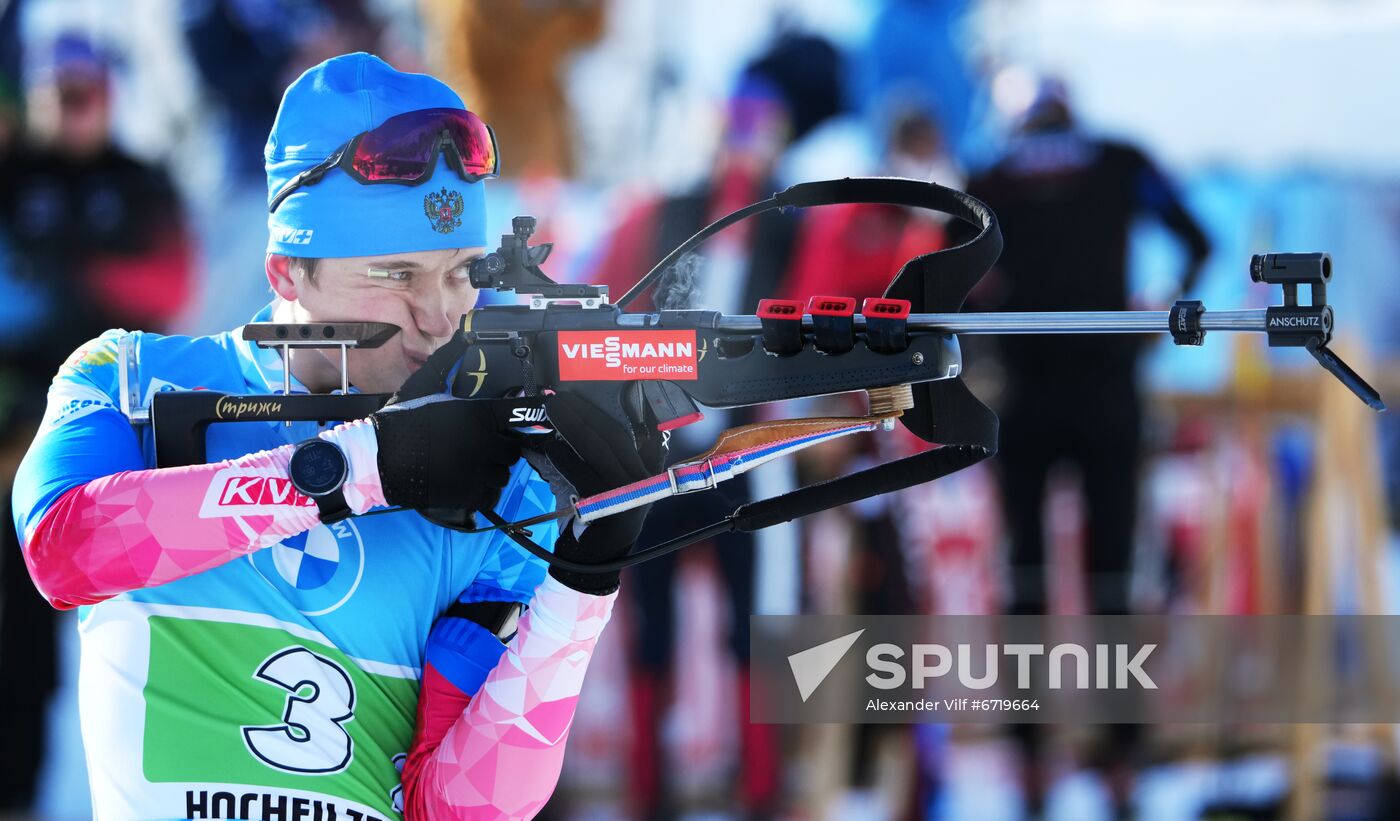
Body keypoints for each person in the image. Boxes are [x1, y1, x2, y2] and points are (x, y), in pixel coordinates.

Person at [11, 52, 656, 820]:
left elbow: (459, 808)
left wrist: (583, 585)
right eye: (396, 275)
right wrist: (354, 471)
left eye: (460, 272)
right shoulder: (128, 377)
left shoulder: (492, 480)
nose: (439, 315)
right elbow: (65, 546)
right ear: (287, 272)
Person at [965, 76, 1211, 817]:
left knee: (1027, 578)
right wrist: (1162, 306)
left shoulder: (992, 174)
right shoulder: (1119, 160)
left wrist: (988, 316)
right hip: (1106, 386)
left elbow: (949, 275)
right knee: (1111, 579)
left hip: (1027, 390)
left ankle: (1032, 756)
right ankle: (1121, 759)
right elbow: (1198, 239)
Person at [0, 33, 194, 812]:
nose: (68, 105)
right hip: (12, 435)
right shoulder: (12, 177)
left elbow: (168, 282)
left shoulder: (141, 182)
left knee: (128, 626)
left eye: (83, 90)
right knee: (16, 638)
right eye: (56, 90)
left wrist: (72, 284)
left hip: (111, 435)